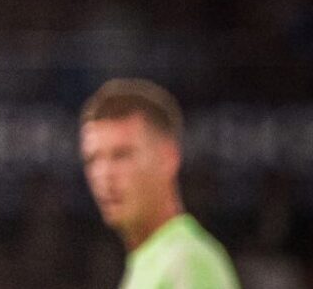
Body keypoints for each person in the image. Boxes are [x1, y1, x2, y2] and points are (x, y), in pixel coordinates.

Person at [79, 78, 240, 289]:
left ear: (168, 157)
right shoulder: (153, 262)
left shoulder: (185, 262)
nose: (104, 174)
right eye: (93, 159)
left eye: (122, 155)